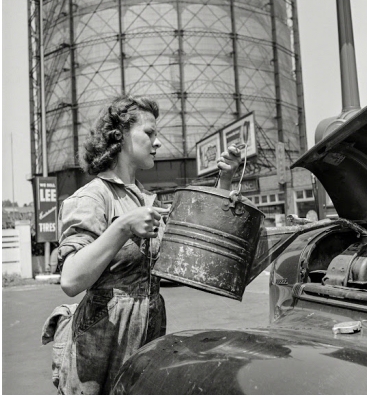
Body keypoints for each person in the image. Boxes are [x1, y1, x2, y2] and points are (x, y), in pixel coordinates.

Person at [53, 95, 242, 393]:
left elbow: (195, 256)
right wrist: (123, 227)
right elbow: (71, 279)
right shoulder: (92, 197)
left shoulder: (145, 198)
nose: (157, 142)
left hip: (147, 336)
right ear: (120, 136)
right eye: (150, 133)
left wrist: (225, 181)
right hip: (101, 346)